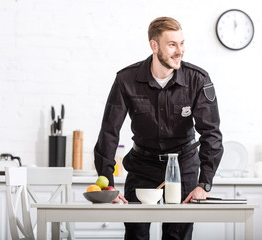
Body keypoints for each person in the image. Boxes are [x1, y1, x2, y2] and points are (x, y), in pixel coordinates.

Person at [94, 16, 224, 240]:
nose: (180, 51)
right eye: (172, 44)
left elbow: (211, 134)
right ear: (154, 46)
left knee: (177, 236)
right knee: (136, 234)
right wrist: (107, 186)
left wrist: (205, 183)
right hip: (142, 166)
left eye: (182, 43)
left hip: (184, 167)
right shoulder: (126, 80)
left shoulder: (198, 80)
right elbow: (109, 133)